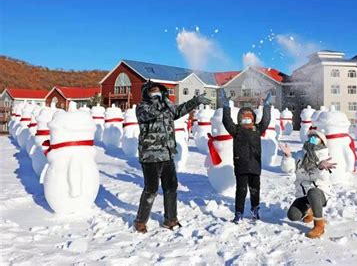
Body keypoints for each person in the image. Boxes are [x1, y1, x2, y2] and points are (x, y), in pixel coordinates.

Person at [134, 80, 211, 233]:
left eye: (158, 90)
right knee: (151, 189)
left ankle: (171, 218)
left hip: (167, 154)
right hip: (150, 155)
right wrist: (162, 102)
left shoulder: (167, 106)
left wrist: (195, 101)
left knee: (171, 187)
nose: (156, 92)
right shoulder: (142, 107)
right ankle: (141, 221)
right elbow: (151, 114)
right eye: (152, 91)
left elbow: (179, 110)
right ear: (147, 93)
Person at [220, 90, 271, 224]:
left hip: (255, 165)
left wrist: (267, 106)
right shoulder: (236, 130)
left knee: (255, 190)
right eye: (244, 117)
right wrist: (226, 106)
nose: (247, 120)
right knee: (241, 191)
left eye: (249, 117)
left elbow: (266, 121)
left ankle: (255, 209)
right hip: (241, 165)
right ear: (239, 119)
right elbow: (226, 121)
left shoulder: (257, 129)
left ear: (253, 119)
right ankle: (239, 213)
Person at [281, 129, 337, 238]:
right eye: (311, 136)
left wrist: (320, 168)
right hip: (304, 193)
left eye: (316, 137)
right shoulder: (300, 155)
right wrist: (287, 156)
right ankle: (310, 211)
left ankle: (319, 225)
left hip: (320, 193)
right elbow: (288, 169)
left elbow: (324, 179)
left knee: (313, 192)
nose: (312, 138)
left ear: (322, 141)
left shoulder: (325, 158)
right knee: (293, 215)